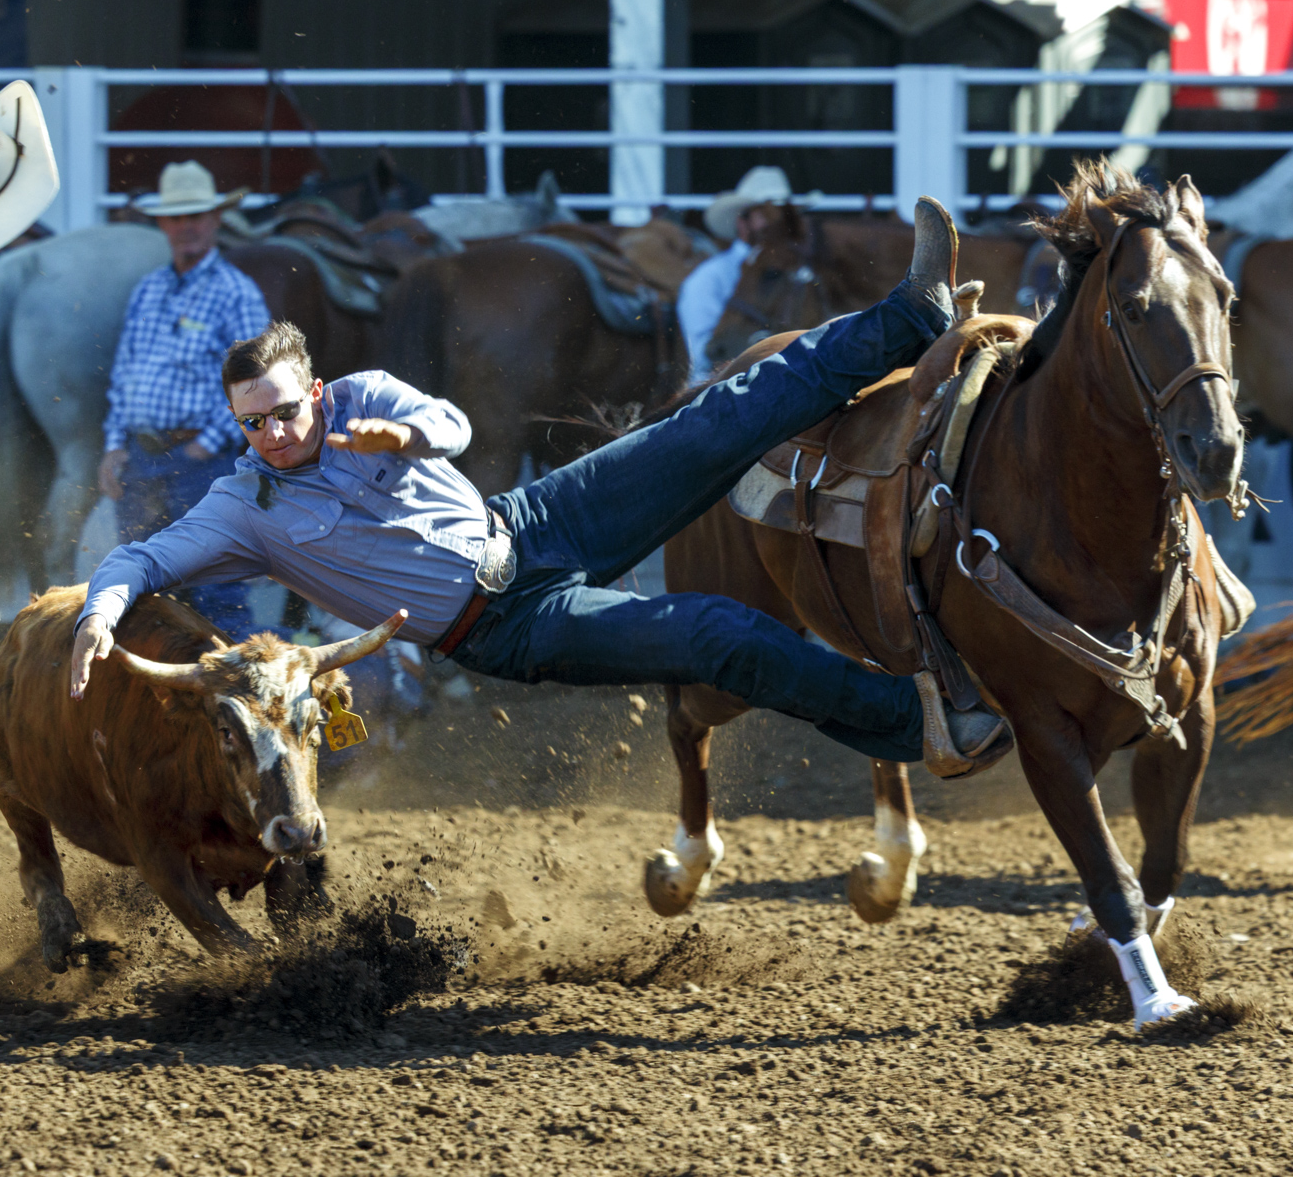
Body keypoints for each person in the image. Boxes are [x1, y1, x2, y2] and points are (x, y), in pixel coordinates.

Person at [67, 199, 1014, 782]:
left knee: (719, 418)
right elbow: (143, 555)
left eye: (281, 412)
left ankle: (908, 316)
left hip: (530, 520)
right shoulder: (244, 505)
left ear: (313, 393)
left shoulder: (363, 398)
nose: (270, 435)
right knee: (721, 637)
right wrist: (101, 612)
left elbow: (456, 426)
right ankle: (922, 721)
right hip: (506, 626)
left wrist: (410, 433)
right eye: (253, 423)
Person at [95, 160, 270, 638]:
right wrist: (114, 445)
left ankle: (236, 699)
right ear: (163, 224)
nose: (186, 226)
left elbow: (258, 382)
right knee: (139, 588)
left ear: (215, 220)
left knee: (216, 588)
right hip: (140, 458)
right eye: (176, 217)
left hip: (199, 463)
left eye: (196, 215)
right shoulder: (149, 289)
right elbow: (124, 375)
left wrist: (207, 443)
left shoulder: (236, 293)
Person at [678, 166, 793, 384]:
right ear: (742, 222)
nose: (776, 223)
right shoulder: (708, 279)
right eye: (765, 214)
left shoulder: (795, 275)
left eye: (781, 215)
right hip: (721, 392)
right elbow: (707, 357)